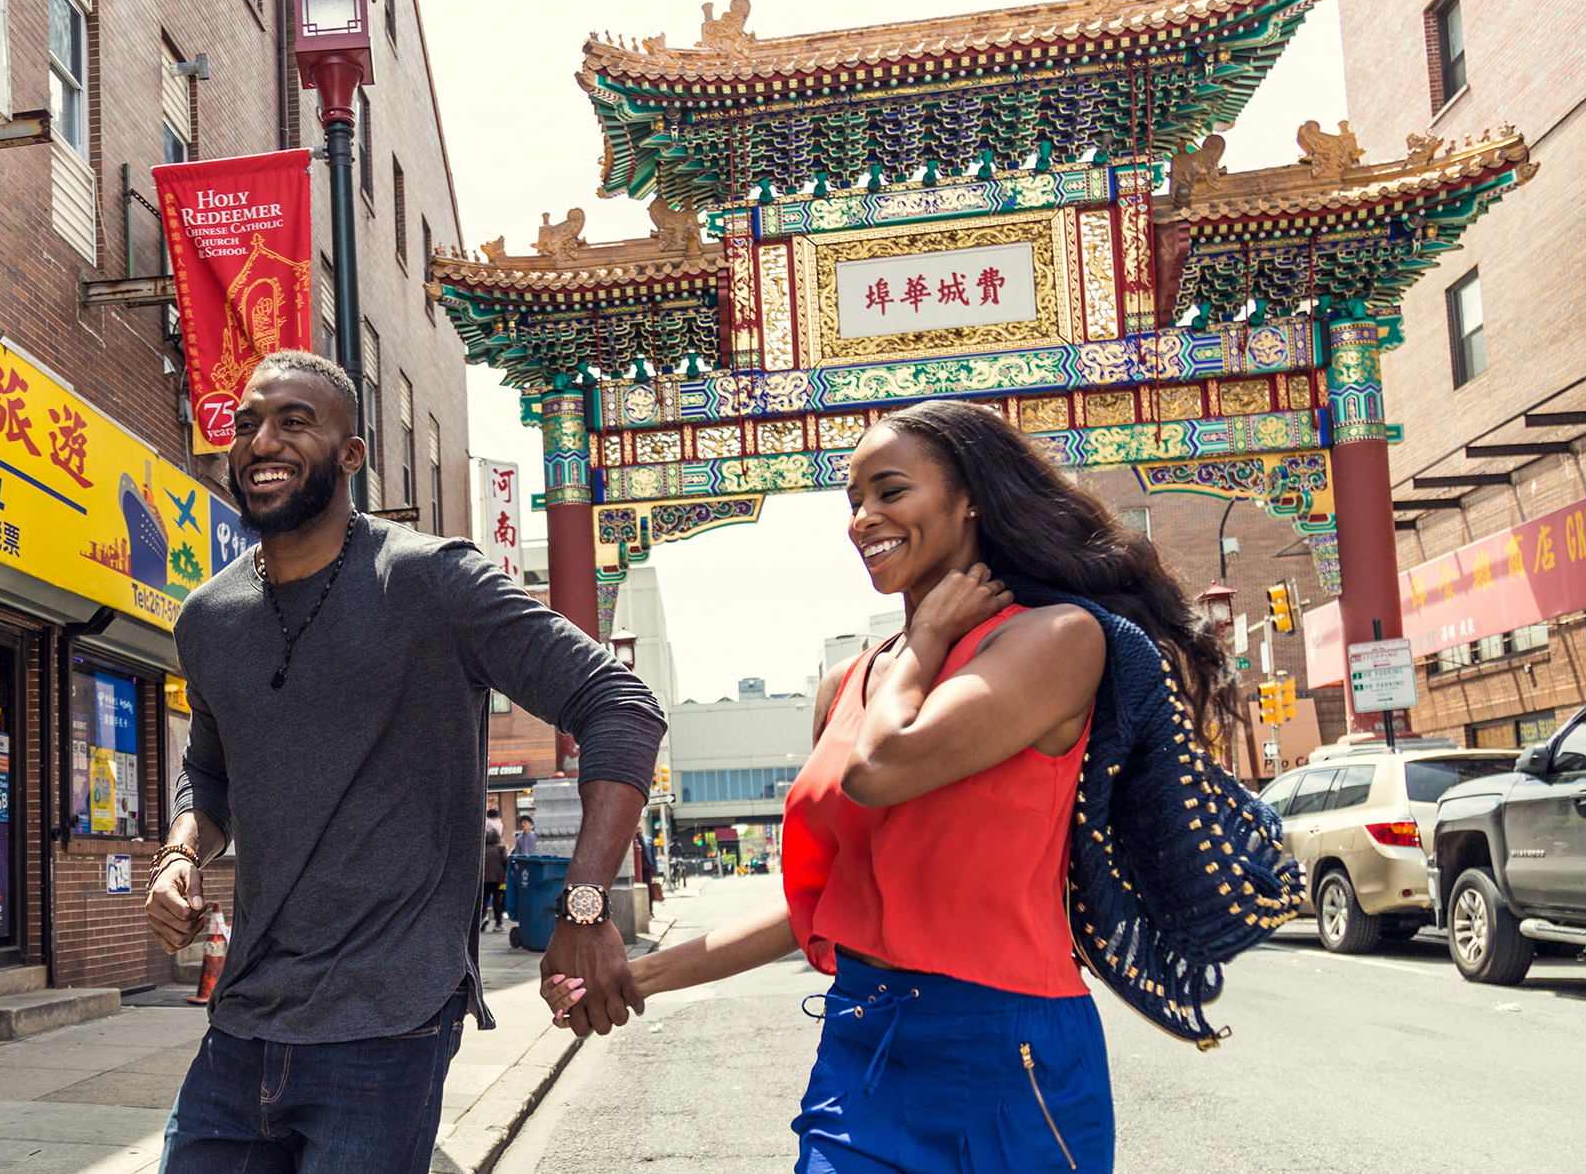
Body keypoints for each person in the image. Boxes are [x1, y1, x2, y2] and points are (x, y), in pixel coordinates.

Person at [544, 400, 1256, 1174]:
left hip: (1011, 1059)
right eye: (853, 501)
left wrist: (923, 640)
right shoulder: (848, 683)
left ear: (971, 497)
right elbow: (823, 897)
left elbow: (880, 768)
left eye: (890, 491)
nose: (864, 519)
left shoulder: (1057, 640)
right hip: (863, 1048)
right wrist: (628, 978)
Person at [147, 352, 665, 1174]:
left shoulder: (430, 580)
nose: (261, 440)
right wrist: (180, 850)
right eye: (247, 423)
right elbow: (209, 773)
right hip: (245, 1015)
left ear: (352, 454)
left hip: (388, 1022)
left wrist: (586, 903)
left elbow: (620, 704)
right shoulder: (207, 618)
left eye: (293, 421)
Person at [480, 827, 510, 932]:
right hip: (498, 879)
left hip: (484, 879)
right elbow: (506, 861)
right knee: (497, 901)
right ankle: (498, 923)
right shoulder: (501, 849)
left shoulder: (483, 849)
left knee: (484, 900)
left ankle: (482, 918)